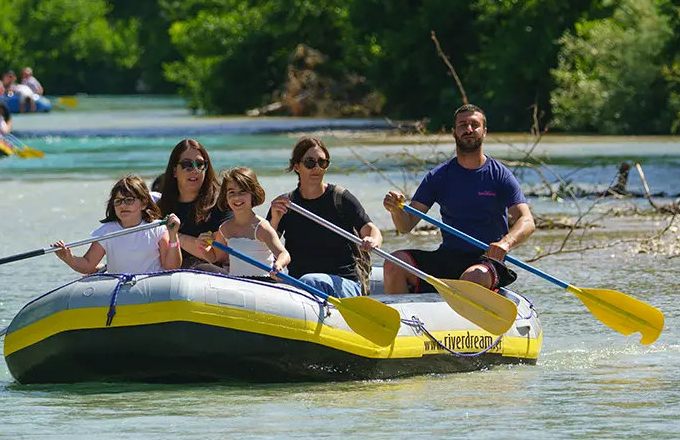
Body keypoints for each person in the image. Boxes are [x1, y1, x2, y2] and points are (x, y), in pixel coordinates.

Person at [382, 104, 535, 294]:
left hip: (486, 261)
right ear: (454, 132)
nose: (469, 129)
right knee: (393, 263)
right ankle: (404, 320)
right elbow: (405, 226)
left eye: (474, 125)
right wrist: (396, 210)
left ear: (484, 132)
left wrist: (505, 243)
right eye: (463, 125)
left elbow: (527, 221)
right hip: (448, 257)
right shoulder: (438, 177)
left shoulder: (500, 176)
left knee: (473, 277)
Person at [267, 136, 381, 298]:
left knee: (310, 281)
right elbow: (265, 247)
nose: (317, 168)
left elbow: (371, 229)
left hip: (344, 283)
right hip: (300, 284)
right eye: (310, 163)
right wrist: (275, 220)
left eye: (322, 163)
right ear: (297, 167)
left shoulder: (341, 198)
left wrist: (372, 240)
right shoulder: (286, 204)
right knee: (303, 282)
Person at [53, 176, 181, 275]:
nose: (123, 205)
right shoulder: (108, 231)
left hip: (153, 287)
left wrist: (173, 235)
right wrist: (69, 258)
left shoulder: (157, 229)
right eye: (118, 201)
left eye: (129, 200)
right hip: (119, 287)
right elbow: (88, 264)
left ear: (143, 204)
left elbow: (171, 267)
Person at [153, 139, 227, 270]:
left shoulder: (221, 203)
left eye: (200, 164)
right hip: (167, 278)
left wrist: (176, 236)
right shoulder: (160, 207)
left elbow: (219, 256)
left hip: (212, 275)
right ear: (175, 171)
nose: (195, 170)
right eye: (187, 165)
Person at [211, 167, 289, 279]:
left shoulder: (262, 227)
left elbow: (284, 254)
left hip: (263, 283)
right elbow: (215, 256)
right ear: (225, 197)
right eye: (232, 192)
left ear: (253, 194)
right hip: (237, 282)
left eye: (242, 192)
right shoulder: (225, 228)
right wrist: (203, 245)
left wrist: (279, 264)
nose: (237, 197)